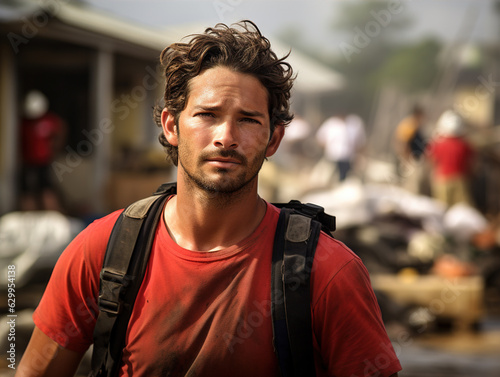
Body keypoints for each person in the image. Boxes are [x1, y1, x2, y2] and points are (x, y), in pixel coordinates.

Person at [17, 21, 401, 377]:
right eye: (207, 115)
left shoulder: (327, 271)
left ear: (274, 140)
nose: (226, 137)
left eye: (248, 119)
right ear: (171, 126)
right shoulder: (103, 251)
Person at [19, 90, 66, 212]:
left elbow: (60, 131)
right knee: (27, 190)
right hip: (28, 161)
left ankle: (50, 212)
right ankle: (29, 213)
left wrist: (55, 149)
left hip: (44, 161)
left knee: (46, 188)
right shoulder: (24, 123)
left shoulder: (50, 120)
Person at [426, 110, 475, 207]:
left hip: (441, 180)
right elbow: (471, 164)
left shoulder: (436, 144)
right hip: (460, 180)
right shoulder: (465, 145)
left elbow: (432, 161)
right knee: (464, 210)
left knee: (442, 209)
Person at [315, 112, 366, 181]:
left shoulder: (354, 124)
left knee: (344, 179)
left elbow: (360, 142)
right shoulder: (330, 123)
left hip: (347, 158)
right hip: (332, 157)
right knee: (329, 178)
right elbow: (320, 138)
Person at [393, 105, 427, 191]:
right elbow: (403, 143)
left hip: (409, 158)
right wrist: (406, 159)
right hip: (407, 159)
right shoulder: (411, 125)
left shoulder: (411, 124)